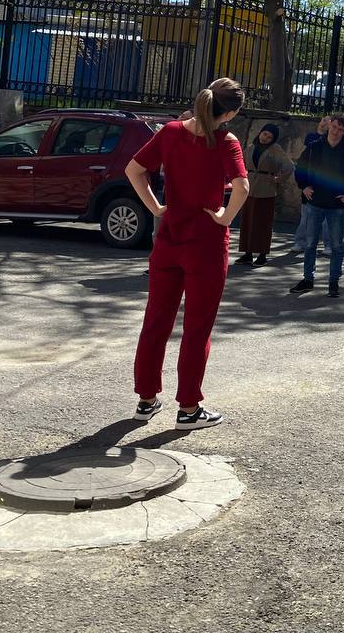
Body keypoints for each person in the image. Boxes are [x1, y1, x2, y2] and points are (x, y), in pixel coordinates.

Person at [126, 78, 250, 430]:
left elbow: (134, 170)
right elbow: (242, 186)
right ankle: (189, 408)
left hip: (169, 240)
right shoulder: (226, 141)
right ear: (230, 113)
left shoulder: (170, 132)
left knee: (155, 322)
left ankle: (146, 399)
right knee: (197, 327)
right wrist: (225, 216)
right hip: (206, 245)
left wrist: (155, 208)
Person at [291, 113, 344, 297]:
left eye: (340, 129)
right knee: (310, 244)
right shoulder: (314, 147)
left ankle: (333, 282)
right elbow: (299, 168)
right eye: (334, 127)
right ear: (329, 125)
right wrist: (304, 186)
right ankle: (307, 279)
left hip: (337, 205)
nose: (336, 132)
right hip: (314, 202)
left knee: (336, 246)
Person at [236, 124, 292, 266]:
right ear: (260, 132)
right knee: (247, 221)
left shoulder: (275, 149)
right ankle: (247, 253)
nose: (265, 138)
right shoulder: (251, 147)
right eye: (264, 134)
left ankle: (262, 254)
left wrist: (278, 179)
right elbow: (240, 162)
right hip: (249, 188)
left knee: (263, 223)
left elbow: (289, 166)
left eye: (269, 137)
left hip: (266, 190)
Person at [289, 115, 330, 253]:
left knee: (328, 217)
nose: (325, 122)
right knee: (306, 216)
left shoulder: (333, 141)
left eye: (329, 121)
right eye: (324, 120)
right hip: (310, 181)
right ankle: (300, 242)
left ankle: (328, 244)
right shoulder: (311, 138)